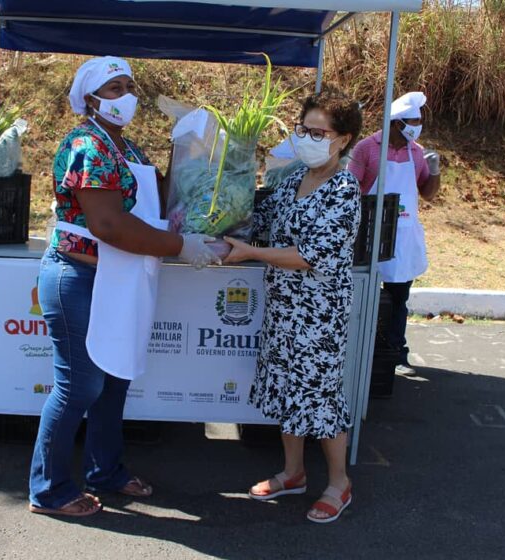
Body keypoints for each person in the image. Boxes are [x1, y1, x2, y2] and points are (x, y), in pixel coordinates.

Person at [28, 56, 220, 517]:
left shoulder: (125, 148)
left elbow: (157, 195)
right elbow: (109, 224)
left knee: (113, 380)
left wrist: (187, 145)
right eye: (115, 89)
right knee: (79, 387)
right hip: (81, 277)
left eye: (129, 85)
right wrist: (181, 246)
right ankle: (48, 490)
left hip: (120, 278)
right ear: (90, 99)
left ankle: (105, 471)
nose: (126, 96)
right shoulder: (87, 145)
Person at [224, 91, 363, 524]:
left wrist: (248, 252)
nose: (308, 138)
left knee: (319, 396)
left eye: (319, 133)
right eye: (303, 129)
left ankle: (339, 483)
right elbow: (260, 224)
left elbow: (310, 256)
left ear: (343, 139)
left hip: (319, 315)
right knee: (287, 390)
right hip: (284, 310)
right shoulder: (291, 182)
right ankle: (293, 472)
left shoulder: (344, 189)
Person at [347, 92, 441, 376]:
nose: (417, 126)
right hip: (369, 231)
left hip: (403, 236)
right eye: (413, 121)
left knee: (399, 296)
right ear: (397, 123)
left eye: (419, 121)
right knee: (364, 294)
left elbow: (428, 193)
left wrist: (434, 170)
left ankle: (396, 350)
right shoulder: (367, 148)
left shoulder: (416, 151)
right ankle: (360, 347)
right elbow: (352, 189)